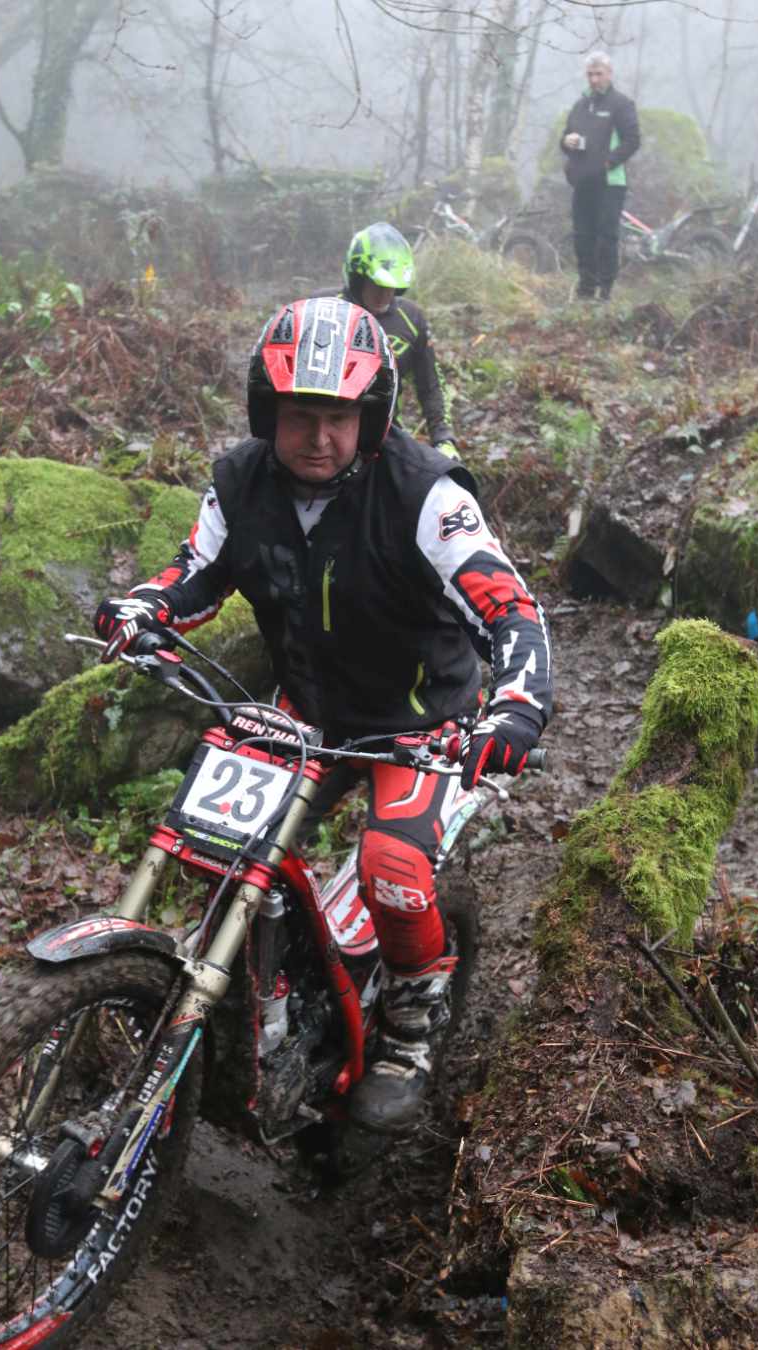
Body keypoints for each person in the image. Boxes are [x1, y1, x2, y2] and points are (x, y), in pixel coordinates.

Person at [94, 296, 552, 1134]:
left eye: (340, 417)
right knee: (218, 846)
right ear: (268, 410)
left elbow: (511, 609)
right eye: (301, 415)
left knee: (391, 865)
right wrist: (142, 609)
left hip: (419, 722)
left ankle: (412, 1018)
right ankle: (249, 993)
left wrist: (516, 706)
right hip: (305, 708)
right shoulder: (240, 480)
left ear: (373, 414)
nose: (319, 438)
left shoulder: (425, 494)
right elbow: (195, 572)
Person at [323, 220, 459, 458]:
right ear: (357, 277)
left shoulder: (411, 318)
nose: (385, 294)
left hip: (384, 435)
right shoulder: (322, 308)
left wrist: (443, 437)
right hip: (325, 432)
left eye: (393, 287)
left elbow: (430, 384)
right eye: (377, 285)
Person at [560, 52, 640, 301]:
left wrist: (608, 162)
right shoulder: (581, 105)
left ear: (609, 74)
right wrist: (566, 140)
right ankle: (585, 289)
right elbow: (565, 138)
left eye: (599, 74)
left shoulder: (621, 104)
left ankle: (605, 292)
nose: (594, 79)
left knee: (606, 237)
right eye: (590, 74)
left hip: (610, 183)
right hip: (582, 182)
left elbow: (632, 140)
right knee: (582, 236)